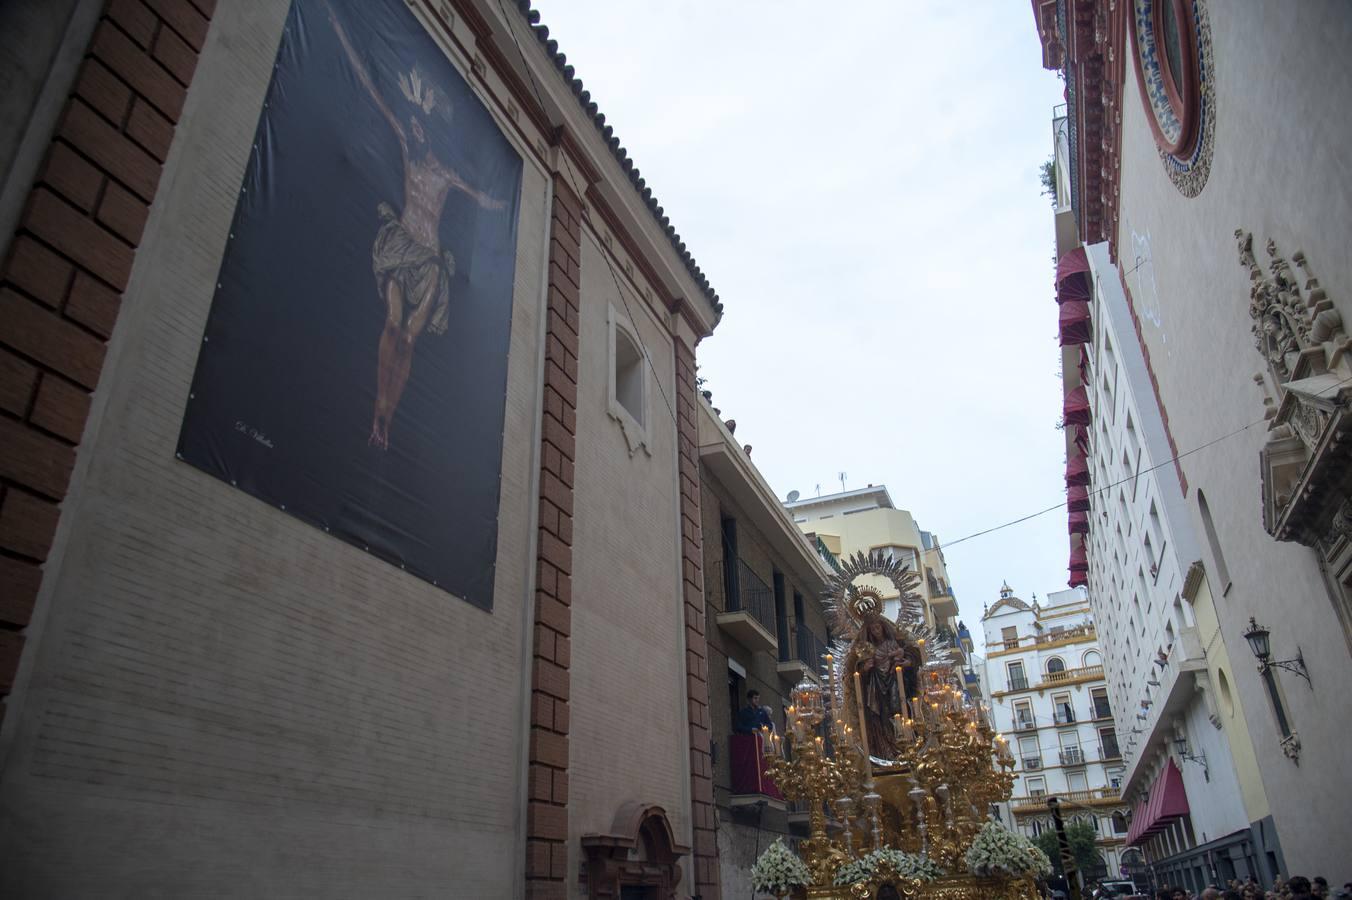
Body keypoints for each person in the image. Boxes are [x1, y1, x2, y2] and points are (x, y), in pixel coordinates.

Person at [329, 6, 506, 450]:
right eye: (410, 123)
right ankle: (376, 412)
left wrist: (501, 201)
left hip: (428, 260)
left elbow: (478, 193)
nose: (412, 126)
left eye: (418, 124)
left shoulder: (443, 170)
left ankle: (386, 417)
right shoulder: (407, 148)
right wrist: (343, 37)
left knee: (409, 337)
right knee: (391, 325)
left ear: (428, 131)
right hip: (400, 243)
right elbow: (373, 90)